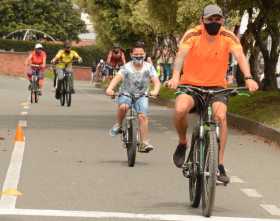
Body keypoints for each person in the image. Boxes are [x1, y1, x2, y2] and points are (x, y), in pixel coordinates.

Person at [167, 4, 258, 184]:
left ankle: (219, 165)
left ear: (222, 20)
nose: (214, 22)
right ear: (202, 20)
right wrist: (175, 77)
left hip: (217, 87)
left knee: (221, 116)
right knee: (179, 109)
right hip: (190, 85)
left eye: (217, 19)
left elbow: (240, 56)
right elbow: (180, 56)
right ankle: (183, 142)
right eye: (210, 19)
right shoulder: (193, 34)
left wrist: (248, 77)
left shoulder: (227, 35)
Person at [106, 41, 161, 152]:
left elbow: (157, 82)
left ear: (145, 54)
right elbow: (117, 78)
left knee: (142, 117)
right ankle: (119, 125)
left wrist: (155, 91)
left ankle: (144, 143)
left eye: (141, 54)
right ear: (131, 55)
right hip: (126, 94)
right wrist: (110, 89)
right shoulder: (126, 67)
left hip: (142, 95)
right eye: (136, 55)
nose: (139, 56)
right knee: (124, 107)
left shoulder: (149, 67)